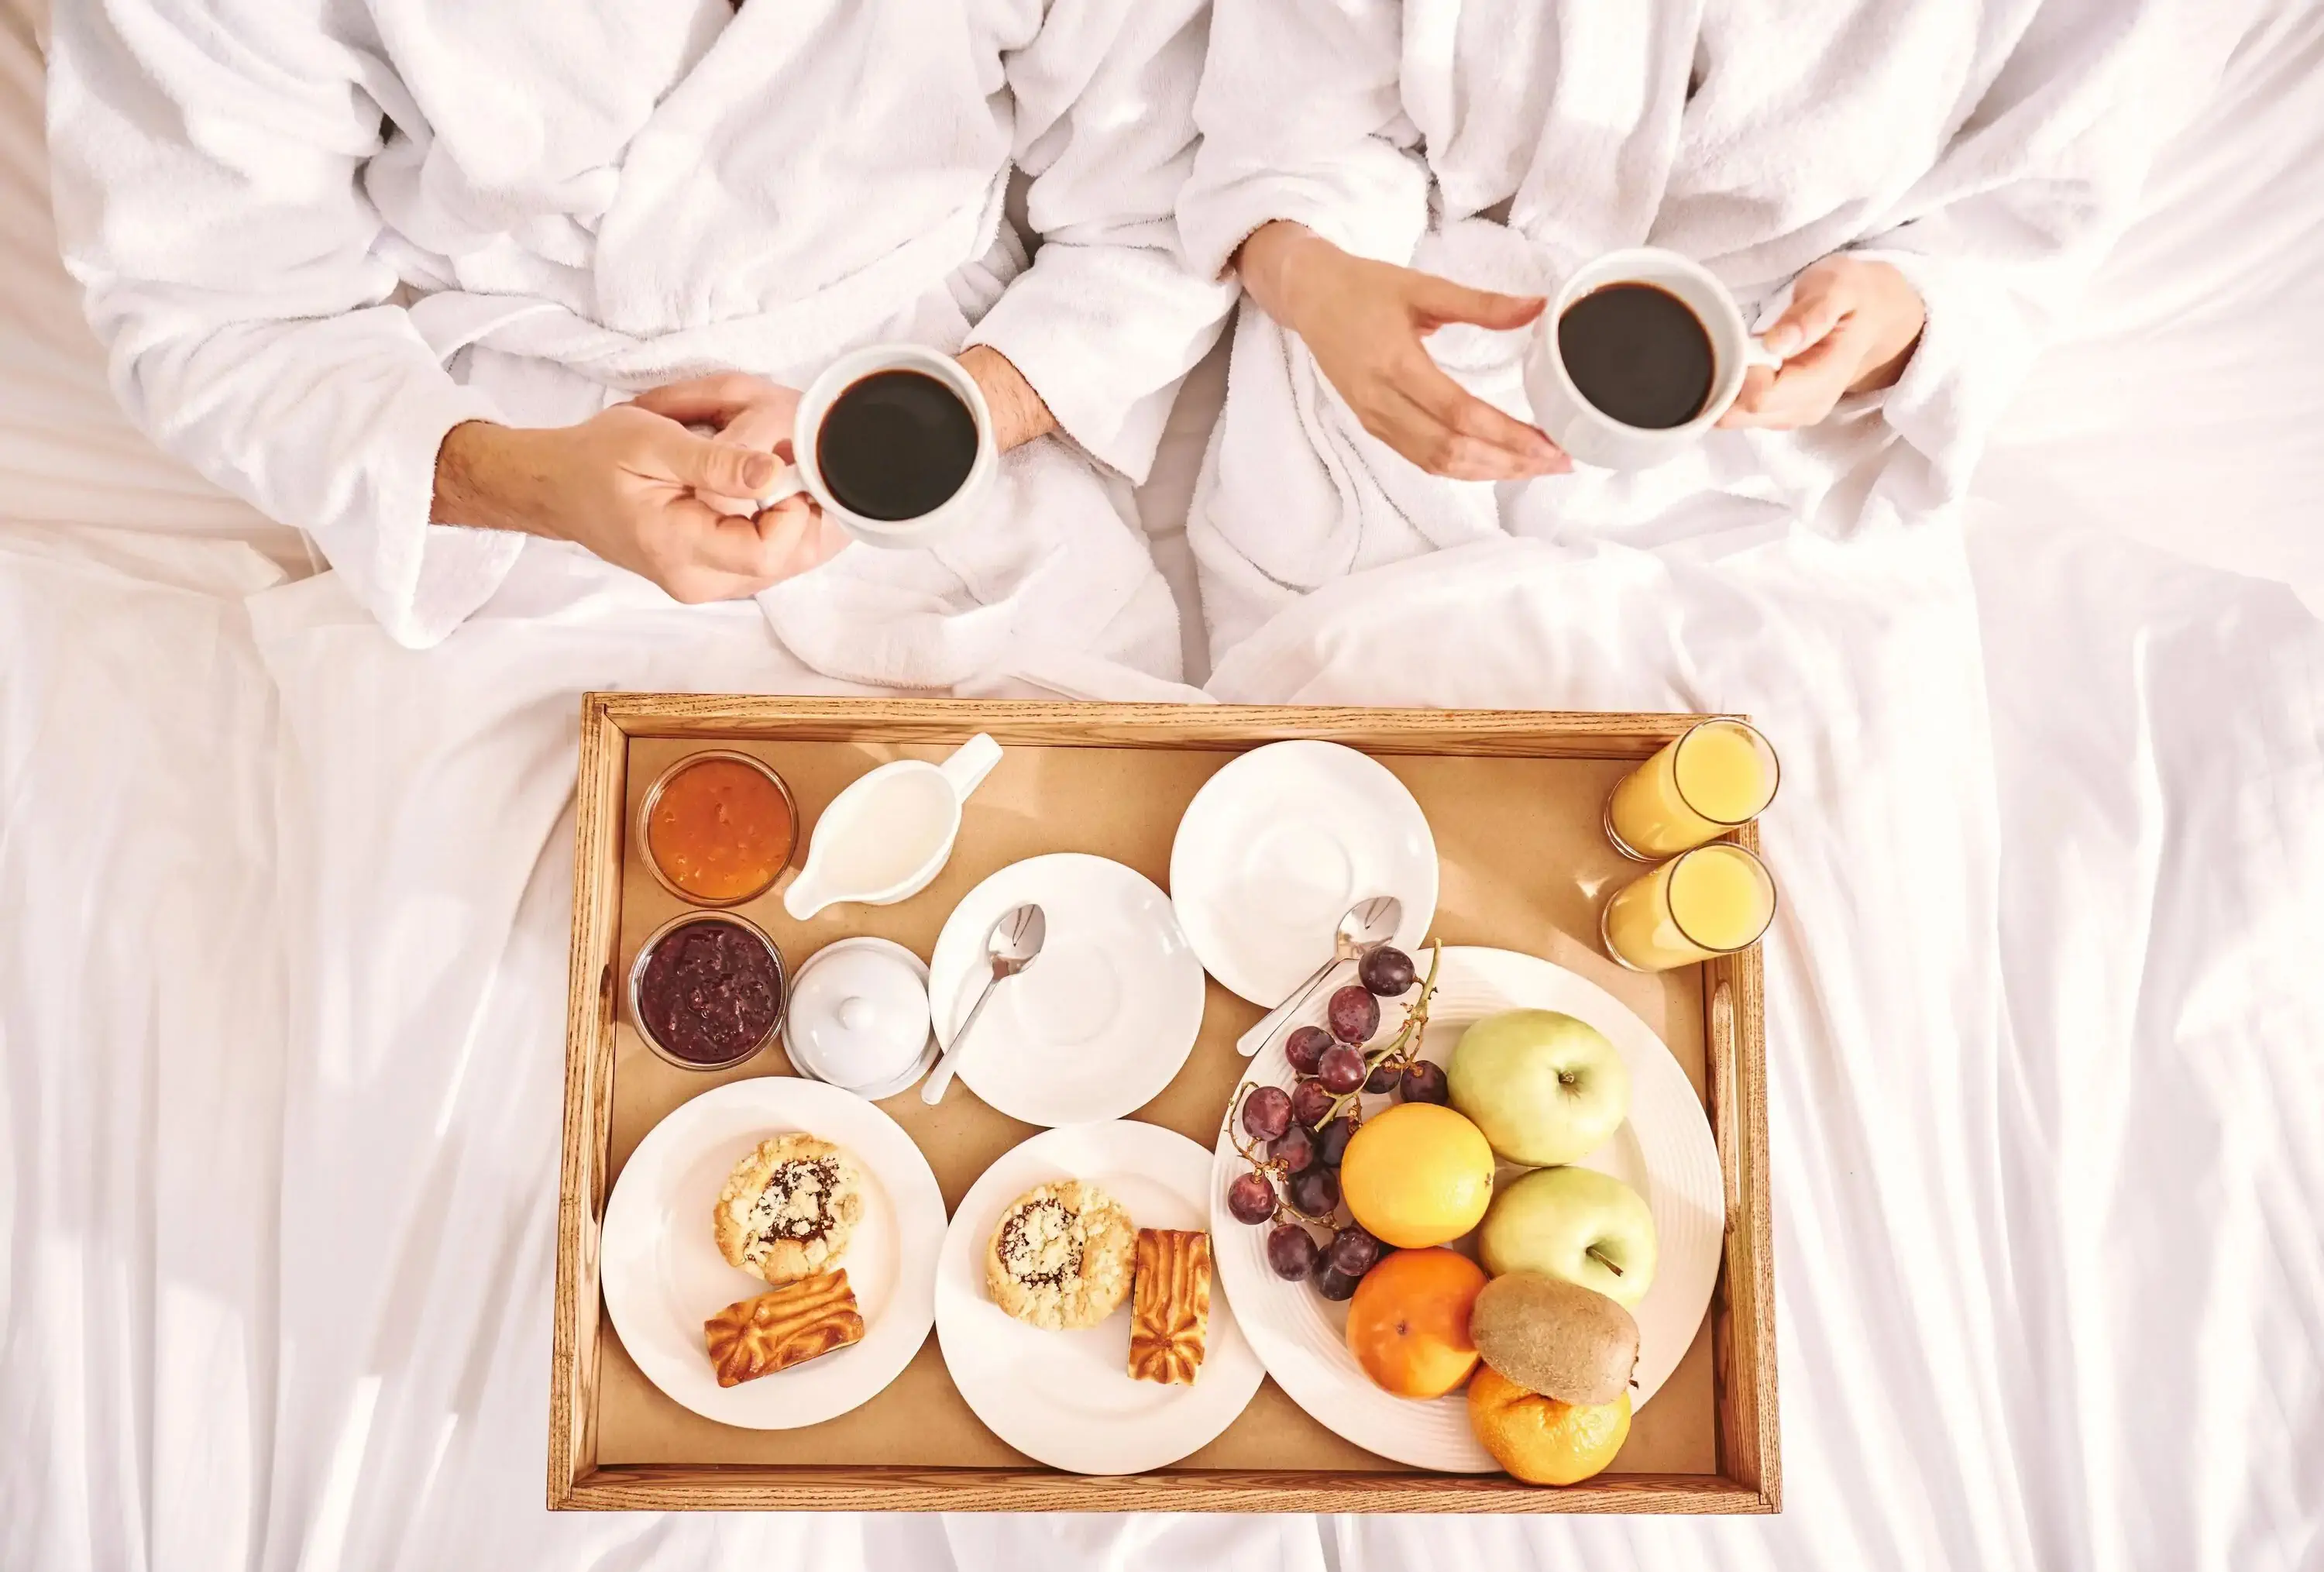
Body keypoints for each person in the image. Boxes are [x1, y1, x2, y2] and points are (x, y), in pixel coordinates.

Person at [47, 0, 1232, 690]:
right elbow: (218, 305)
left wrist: (941, 415)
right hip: (531, 483)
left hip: (954, 403)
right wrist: (527, 484)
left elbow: (1165, 201)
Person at [1176, 0, 2185, 661]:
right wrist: (1312, 277)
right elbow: (1291, 114)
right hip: (1393, 364)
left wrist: (1894, 318)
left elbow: (2025, 223)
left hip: (1768, 472)